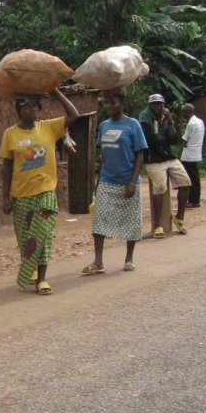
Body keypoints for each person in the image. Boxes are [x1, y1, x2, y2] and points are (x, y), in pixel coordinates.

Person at [0, 89, 80, 295]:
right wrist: (5, 196)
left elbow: (74, 116)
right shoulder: (11, 134)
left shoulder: (49, 127)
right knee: (26, 238)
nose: (33, 109)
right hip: (21, 194)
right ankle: (31, 270)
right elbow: (7, 166)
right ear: (19, 110)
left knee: (42, 235)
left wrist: (55, 92)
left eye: (35, 105)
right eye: (27, 105)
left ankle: (42, 279)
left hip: (45, 191)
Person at [81, 92, 147, 275]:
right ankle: (98, 261)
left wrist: (133, 181)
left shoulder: (133, 125)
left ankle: (129, 259)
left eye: (113, 103)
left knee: (131, 220)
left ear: (121, 104)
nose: (108, 106)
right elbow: (103, 156)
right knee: (99, 220)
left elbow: (140, 154)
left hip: (128, 181)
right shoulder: (104, 126)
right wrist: (98, 181)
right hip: (107, 181)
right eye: (106, 103)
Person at [138, 94, 192, 237]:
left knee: (185, 182)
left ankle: (180, 218)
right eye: (155, 104)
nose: (158, 106)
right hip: (153, 158)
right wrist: (163, 138)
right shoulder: (144, 116)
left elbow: (173, 139)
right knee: (160, 187)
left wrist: (169, 120)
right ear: (150, 105)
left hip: (167, 155)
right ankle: (158, 225)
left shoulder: (165, 117)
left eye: (160, 104)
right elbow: (150, 139)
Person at [180, 103, 205, 207]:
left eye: (183, 112)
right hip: (196, 152)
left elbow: (184, 140)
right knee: (195, 177)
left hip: (189, 154)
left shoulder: (190, 124)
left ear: (187, 112)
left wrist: (180, 128)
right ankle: (195, 199)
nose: (182, 115)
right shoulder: (200, 121)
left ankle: (193, 200)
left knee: (190, 178)